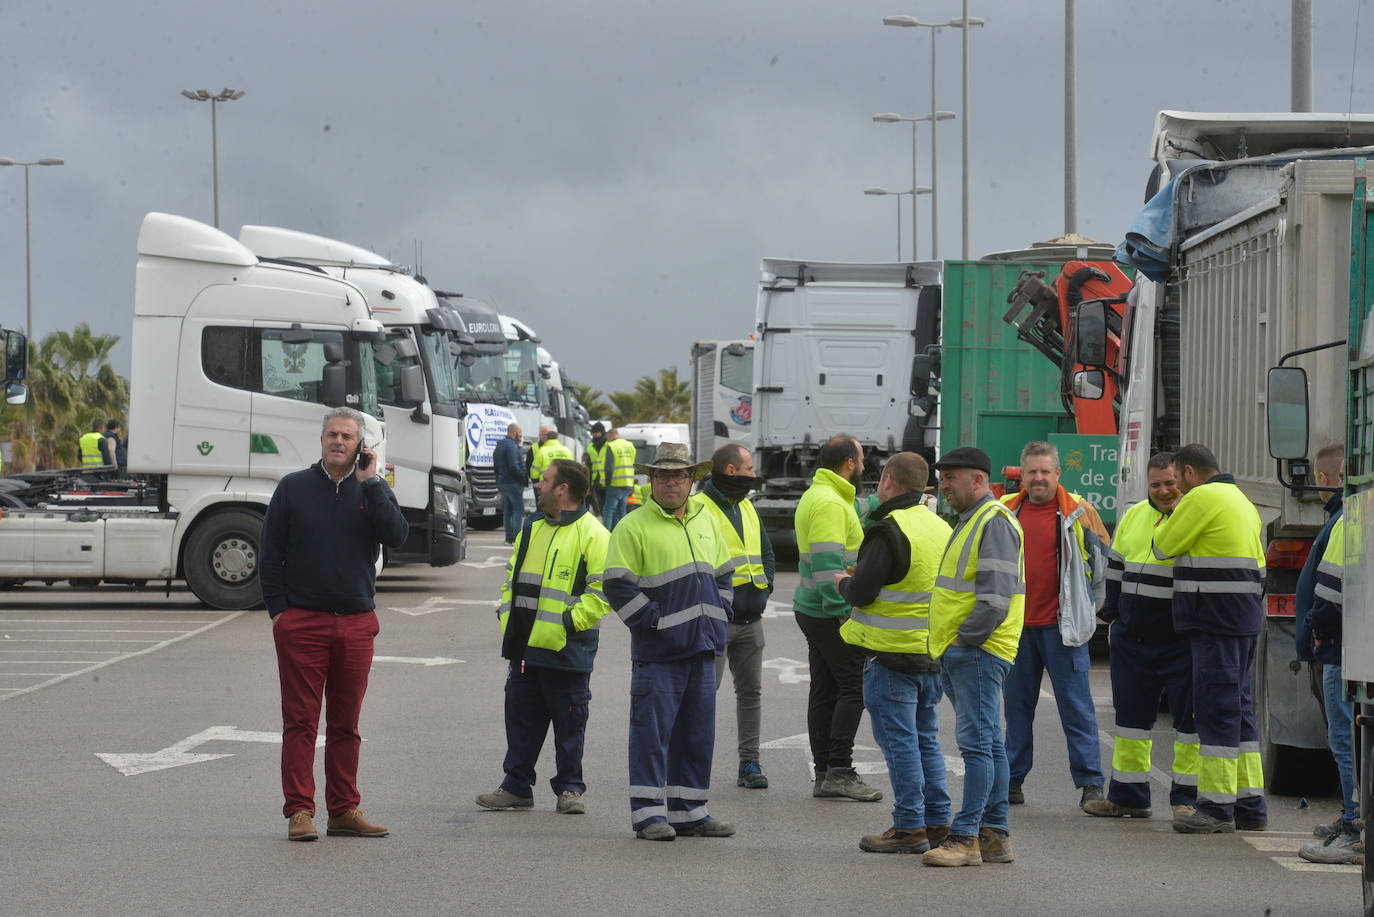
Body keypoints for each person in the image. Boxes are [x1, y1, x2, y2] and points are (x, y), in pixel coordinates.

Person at [260, 407, 409, 842]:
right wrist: (280, 614)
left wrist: (373, 483)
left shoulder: (373, 489)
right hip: (303, 623)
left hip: (357, 623)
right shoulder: (293, 488)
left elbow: (397, 535)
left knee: (346, 724)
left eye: (346, 436)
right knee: (301, 722)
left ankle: (343, 810)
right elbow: (270, 555)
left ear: (361, 444)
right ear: (321, 440)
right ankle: (300, 811)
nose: (338, 441)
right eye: (331, 435)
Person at [602, 442, 737, 840]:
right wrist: (653, 623)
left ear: (692, 480)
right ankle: (648, 816)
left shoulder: (706, 520)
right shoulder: (633, 526)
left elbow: (726, 573)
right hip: (659, 652)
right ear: (651, 480)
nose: (671, 483)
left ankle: (690, 812)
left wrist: (721, 612)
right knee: (651, 734)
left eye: (679, 475)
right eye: (663, 476)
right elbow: (616, 585)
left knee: (697, 734)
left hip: (703, 648)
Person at [477, 459, 612, 815]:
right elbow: (512, 577)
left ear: (562, 489)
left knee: (570, 722)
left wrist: (567, 624)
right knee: (520, 718)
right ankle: (516, 786)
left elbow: (602, 593)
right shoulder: (532, 526)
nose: (538, 486)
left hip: (567, 649)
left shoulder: (594, 533)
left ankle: (569, 789)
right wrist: (506, 614)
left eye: (545, 481)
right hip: (524, 647)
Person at [835, 452, 954, 854]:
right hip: (930, 656)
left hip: (890, 658)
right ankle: (938, 821)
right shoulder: (941, 528)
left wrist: (841, 583)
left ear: (888, 480)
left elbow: (863, 592)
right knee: (926, 740)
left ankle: (908, 826)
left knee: (901, 744)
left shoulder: (888, 530)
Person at [1152, 443, 1267, 834]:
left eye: (1179, 479)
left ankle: (1217, 808)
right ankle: (1250, 804)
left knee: (1216, 711)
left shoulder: (1201, 497)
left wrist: (1168, 517)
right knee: (1240, 711)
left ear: (1188, 472)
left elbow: (1162, 546)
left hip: (1213, 620)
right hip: (1243, 618)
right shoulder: (1242, 501)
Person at [923, 446, 1025, 867]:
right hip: (974, 651)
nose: (944, 485)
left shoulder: (992, 522)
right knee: (990, 745)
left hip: (979, 651)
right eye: (942, 476)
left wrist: (965, 641)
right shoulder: (974, 520)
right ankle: (995, 835)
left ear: (979, 480)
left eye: (952, 477)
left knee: (978, 745)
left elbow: (994, 600)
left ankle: (965, 838)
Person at [1084, 452, 1199, 820]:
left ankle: (1187, 800)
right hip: (1133, 640)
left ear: (1182, 480)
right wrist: (1113, 617)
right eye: (1156, 484)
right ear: (1146, 485)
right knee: (1130, 723)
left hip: (1181, 639)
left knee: (1188, 726)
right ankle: (1128, 796)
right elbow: (1116, 569)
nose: (1164, 491)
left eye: (1170, 483)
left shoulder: (1195, 516)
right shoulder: (1133, 515)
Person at [1000, 441, 1109, 810]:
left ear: (1058, 474)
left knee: (1077, 710)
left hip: (1063, 630)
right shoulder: (1005, 511)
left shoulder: (1079, 512)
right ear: (1022, 475)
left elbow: (1103, 564)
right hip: (1016, 630)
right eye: (1032, 472)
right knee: (1016, 710)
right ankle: (1011, 782)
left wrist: (1087, 610)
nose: (1039, 478)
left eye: (1046, 471)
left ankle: (1091, 785)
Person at [793, 434, 882, 801]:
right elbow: (828, 563)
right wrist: (843, 612)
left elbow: (856, 510)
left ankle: (825, 772)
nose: (863, 468)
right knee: (853, 688)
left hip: (813, 608)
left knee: (826, 689)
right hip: (829, 610)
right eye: (861, 462)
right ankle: (839, 771)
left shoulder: (824, 495)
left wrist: (883, 499)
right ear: (849, 463)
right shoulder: (830, 502)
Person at [696, 443, 774, 789]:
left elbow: (766, 553)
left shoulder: (747, 506)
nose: (753, 475)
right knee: (701, 695)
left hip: (750, 621)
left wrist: (764, 591)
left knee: (751, 694)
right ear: (731, 471)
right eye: (748, 468)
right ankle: (693, 765)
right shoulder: (698, 507)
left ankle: (750, 763)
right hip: (714, 623)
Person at [1295, 444, 1359, 863]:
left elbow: (1329, 590)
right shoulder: (1351, 515)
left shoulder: (1348, 518)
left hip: (1340, 648)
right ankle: (1352, 815)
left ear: (1330, 479)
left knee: (1345, 739)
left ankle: (1355, 826)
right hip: (1349, 644)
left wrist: (1318, 633)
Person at [494, 422, 526, 545]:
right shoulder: (512, 446)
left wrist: (499, 478)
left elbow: (496, 465)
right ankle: (517, 538)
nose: (521, 437)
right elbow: (514, 466)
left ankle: (508, 538)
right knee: (518, 509)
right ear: (514, 432)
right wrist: (522, 479)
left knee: (508, 510)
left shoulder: (500, 445)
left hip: (503, 482)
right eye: (520, 434)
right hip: (513, 482)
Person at [602, 428, 637, 529]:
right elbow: (633, 463)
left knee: (609, 509)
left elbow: (609, 468)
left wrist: (607, 483)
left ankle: (606, 532)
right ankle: (622, 531)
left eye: (607, 437)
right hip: (628, 483)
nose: (607, 439)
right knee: (621, 510)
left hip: (615, 483)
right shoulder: (630, 445)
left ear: (611, 435)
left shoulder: (612, 446)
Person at [584, 422, 609, 517]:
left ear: (602, 432)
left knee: (609, 506)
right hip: (596, 480)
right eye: (593, 432)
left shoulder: (608, 444)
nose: (594, 434)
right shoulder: (591, 446)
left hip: (608, 479)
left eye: (596, 432)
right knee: (601, 504)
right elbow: (589, 466)